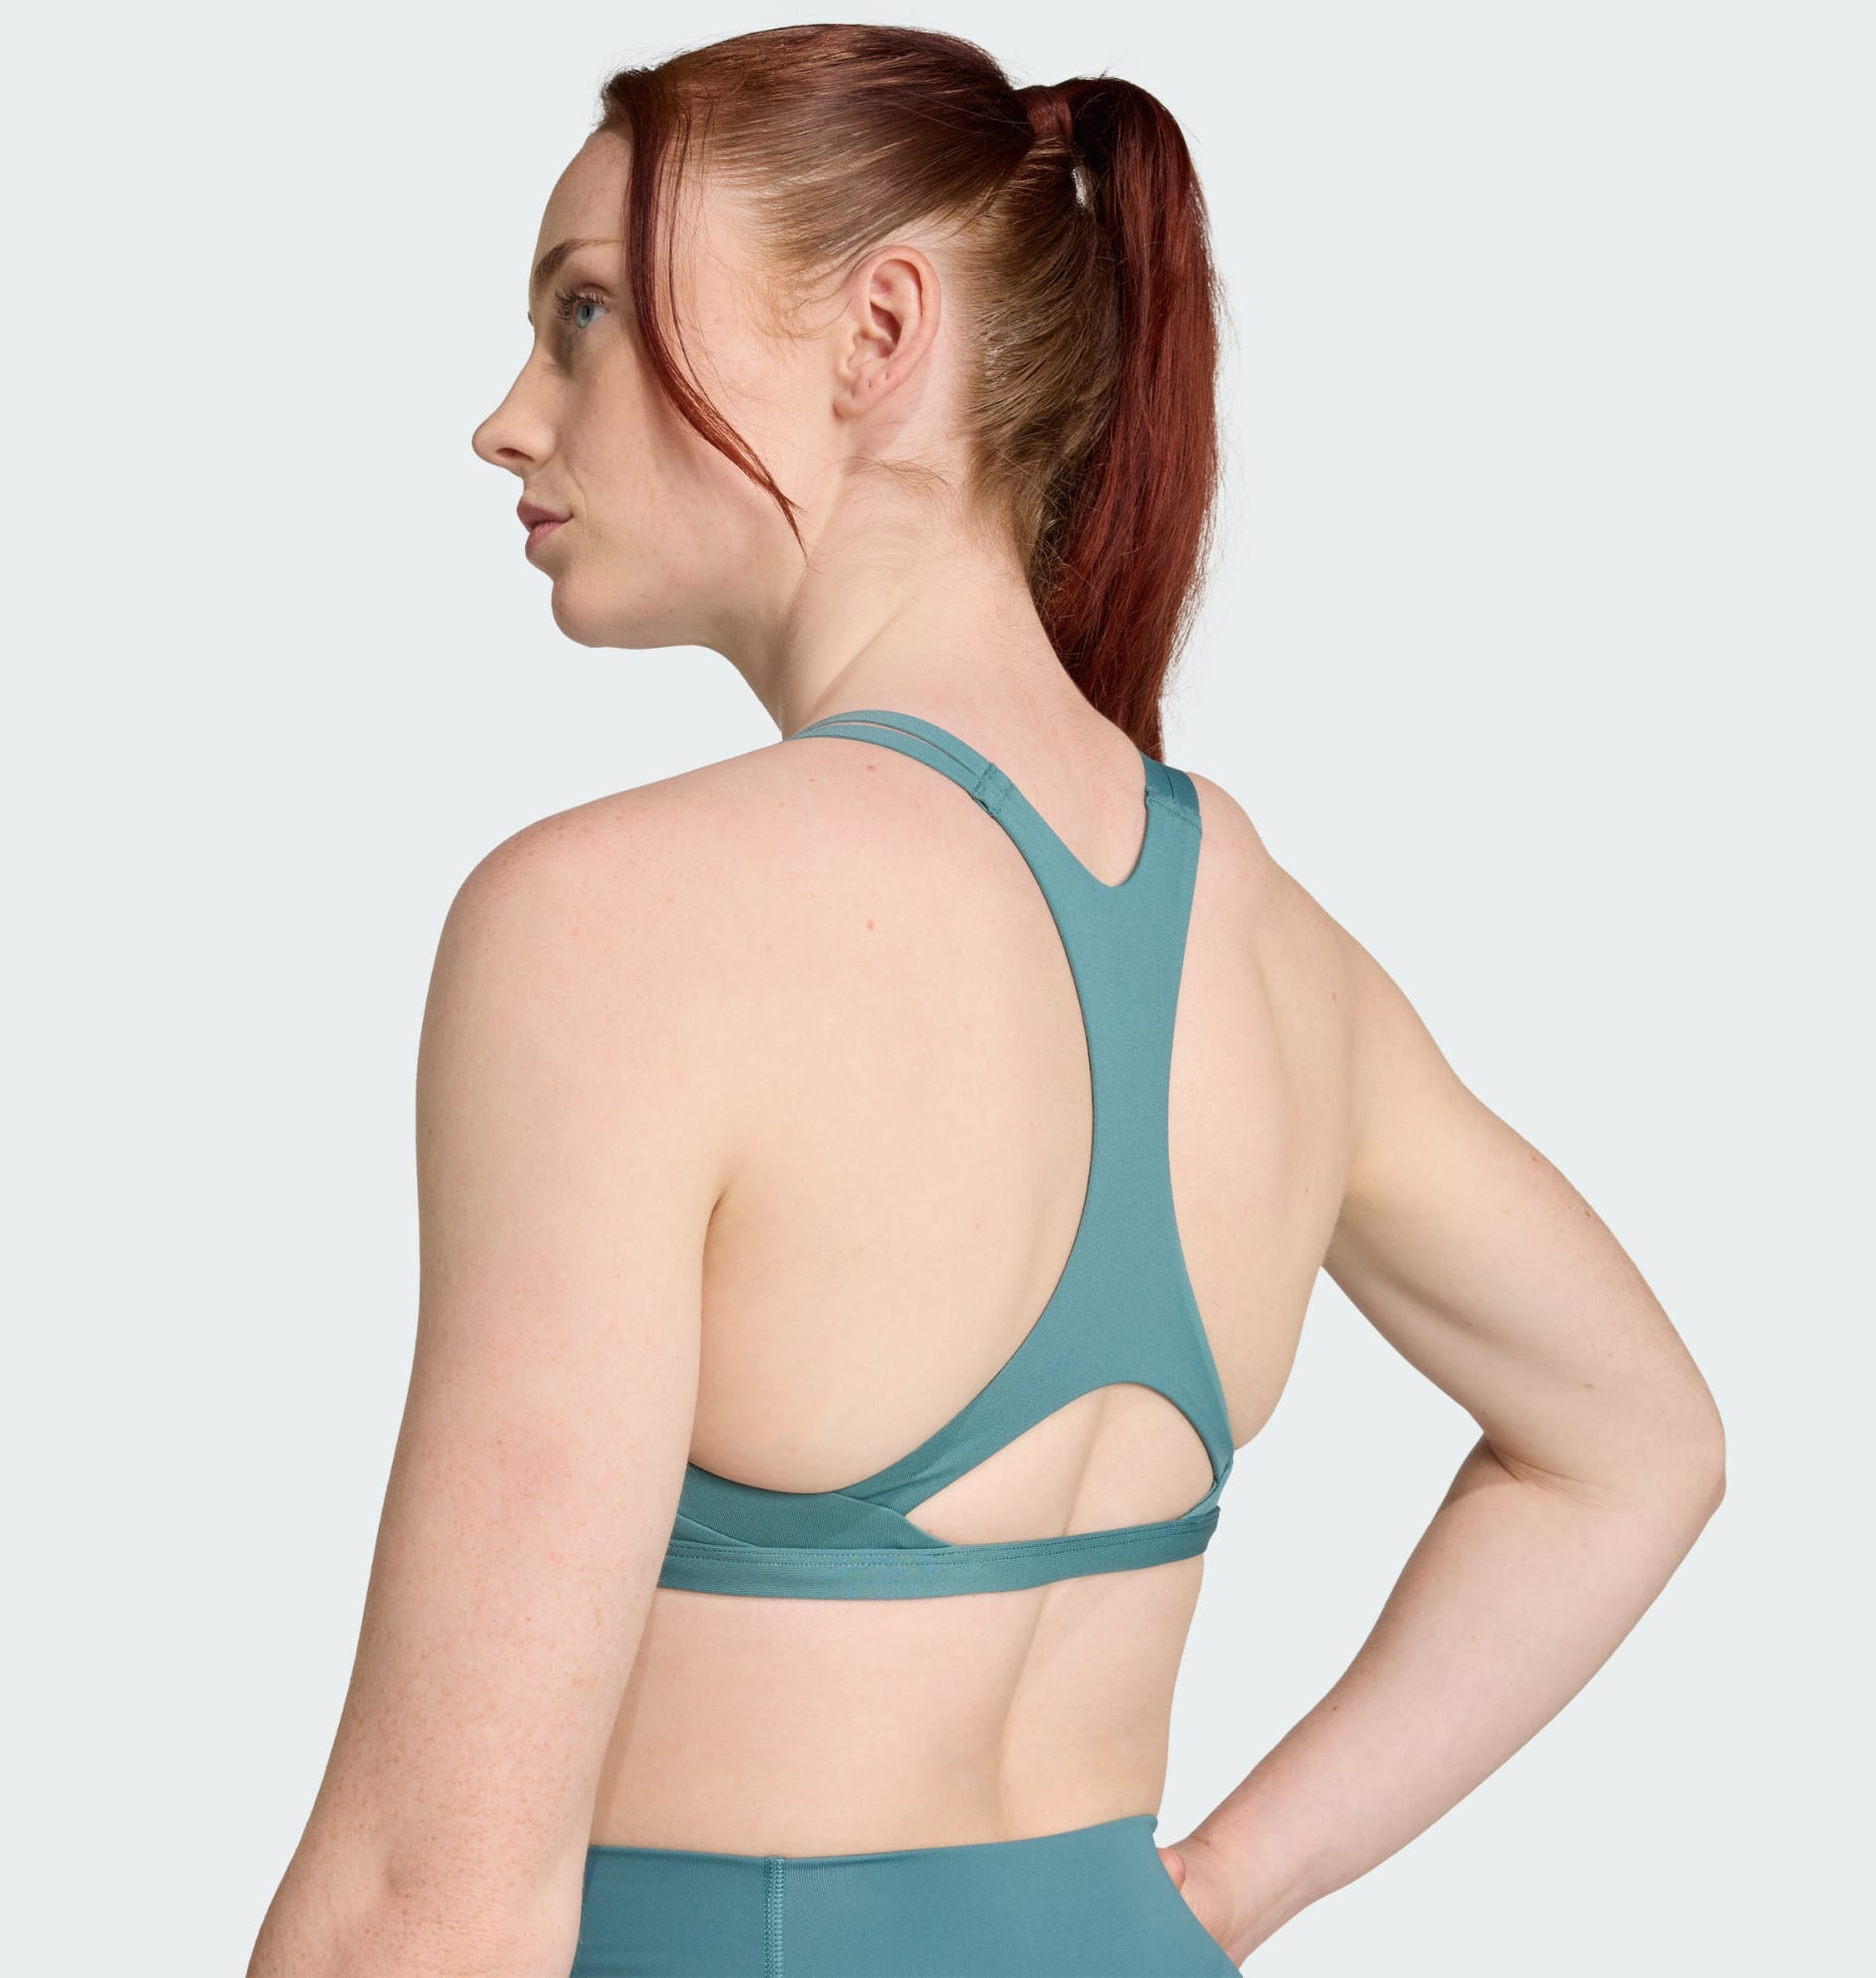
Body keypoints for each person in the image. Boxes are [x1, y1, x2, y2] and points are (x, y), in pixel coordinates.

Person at [246, 24, 1726, 1977]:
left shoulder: (611, 928)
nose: (509, 419)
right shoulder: (1267, 946)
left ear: (879, 333)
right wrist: (1214, 1898)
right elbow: (1632, 1441)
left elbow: (424, 1906)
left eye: (584, 312)